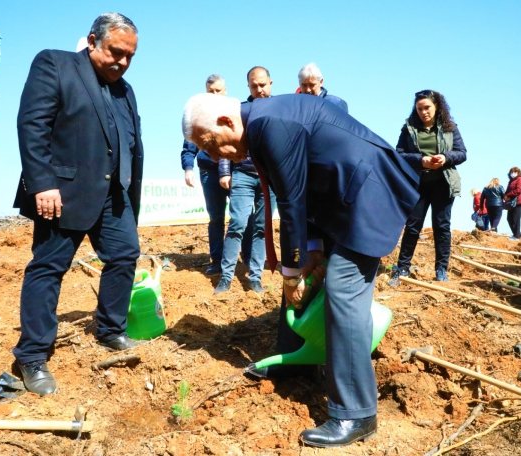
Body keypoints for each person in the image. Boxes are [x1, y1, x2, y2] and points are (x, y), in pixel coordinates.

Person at [182, 93, 419, 447]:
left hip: (368, 193)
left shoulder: (269, 124)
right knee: (304, 275)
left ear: (227, 123)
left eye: (212, 145)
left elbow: (291, 200)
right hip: (337, 200)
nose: (215, 157)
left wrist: (292, 272)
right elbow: (301, 191)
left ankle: (357, 414)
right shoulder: (261, 124)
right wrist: (308, 254)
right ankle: (298, 360)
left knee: (341, 289)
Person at [13, 13, 144, 396]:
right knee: (49, 268)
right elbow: (32, 124)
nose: (121, 61)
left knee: (125, 255)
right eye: (115, 52)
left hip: (114, 197)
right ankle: (32, 356)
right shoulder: (55, 64)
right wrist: (43, 184)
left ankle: (111, 330)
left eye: (129, 56)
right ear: (91, 41)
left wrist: (131, 192)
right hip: (63, 193)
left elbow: (131, 143)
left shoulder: (126, 90)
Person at [389, 90, 467, 284]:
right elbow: (399, 154)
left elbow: (462, 153)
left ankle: (441, 269)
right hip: (418, 184)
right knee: (413, 226)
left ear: (437, 107)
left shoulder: (450, 128)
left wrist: (446, 157)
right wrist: (420, 160)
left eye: (427, 108)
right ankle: (403, 267)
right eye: (419, 108)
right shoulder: (408, 129)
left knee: (442, 227)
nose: (424, 112)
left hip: (444, 183)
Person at [180, 74, 253, 275]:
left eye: (218, 91)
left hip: (235, 171)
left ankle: (247, 256)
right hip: (208, 174)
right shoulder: (199, 116)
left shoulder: (234, 114)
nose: (214, 94)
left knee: (243, 215)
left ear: (225, 91)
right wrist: (188, 168)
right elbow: (189, 146)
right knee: (216, 217)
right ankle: (217, 260)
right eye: (210, 91)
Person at [213, 66, 273, 294]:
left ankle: (255, 277)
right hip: (244, 174)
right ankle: (226, 277)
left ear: (270, 83)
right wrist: (225, 170)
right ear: (248, 87)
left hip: (269, 179)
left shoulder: (279, 109)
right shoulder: (240, 110)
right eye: (254, 86)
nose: (259, 89)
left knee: (261, 228)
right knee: (237, 224)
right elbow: (225, 141)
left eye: (263, 85)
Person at [505, 167, 521, 240]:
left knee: (516, 219)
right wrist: (504, 196)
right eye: (512, 172)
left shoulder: (520, 179)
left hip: (518, 202)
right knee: (509, 219)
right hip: (511, 203)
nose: (513, 174)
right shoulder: (511, 181)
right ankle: (517, 234)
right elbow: (507, 190)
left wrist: (508, 195)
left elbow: (518, 190)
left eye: (515, 172)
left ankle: (517, 236)